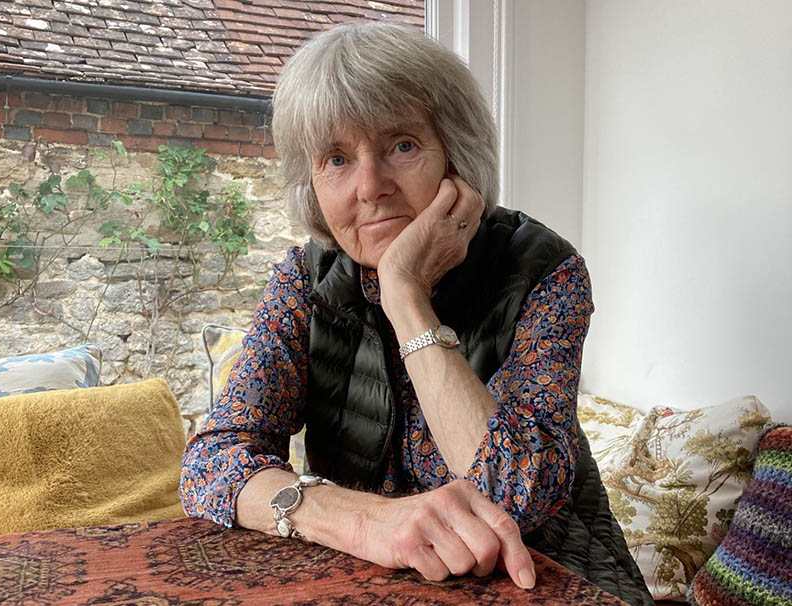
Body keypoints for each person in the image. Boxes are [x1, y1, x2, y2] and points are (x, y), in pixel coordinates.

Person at [180, 22, 653, 606]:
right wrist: (365, 523)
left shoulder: (543, 272)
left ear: (457, 154)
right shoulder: (305, 279)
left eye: (402, 145)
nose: (370, 186)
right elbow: (211, 465)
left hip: (552, 577)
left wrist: (405, 295)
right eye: (336, 159)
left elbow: (516, 493)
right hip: (378, 579)